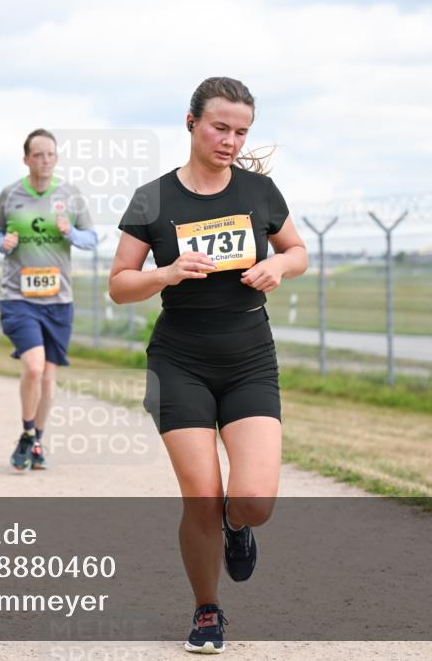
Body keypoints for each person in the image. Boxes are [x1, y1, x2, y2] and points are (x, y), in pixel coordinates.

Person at [107, 77, 308, 654]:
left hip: (249, 359)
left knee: (254, 501)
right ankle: (206, 610)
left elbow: (297, 250)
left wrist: (281, 268)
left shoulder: (259, 190)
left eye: (241, 131)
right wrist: (165, 274)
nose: (230, 140)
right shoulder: (153, 199)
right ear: (191, 122)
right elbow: (119, 285)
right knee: (200, 493)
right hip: (180, 360)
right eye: (220, 127)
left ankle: (237, 526)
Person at [0, 128, 98, 471]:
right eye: (38, 155)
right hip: (17, 296)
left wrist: (70, 233)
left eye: (50, 154)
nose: (45, 160)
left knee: (49, 378)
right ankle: (26, 432)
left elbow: (91, 238)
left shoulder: (70, 194)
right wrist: (0, 243)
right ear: (26, 159)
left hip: (58, 299)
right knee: (33, 367)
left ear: (57, 158)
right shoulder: (10, 195)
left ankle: (36, 439)